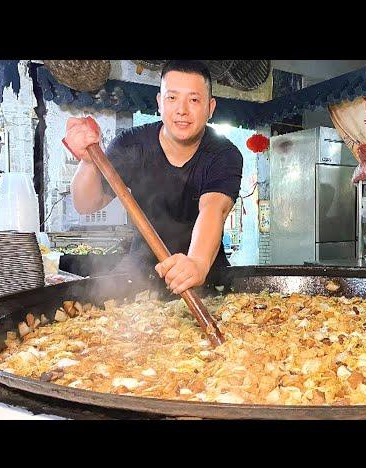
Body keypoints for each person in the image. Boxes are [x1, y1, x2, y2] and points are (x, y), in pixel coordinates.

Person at [65, 60, 243, 294]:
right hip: (138, 274)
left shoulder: (224, 154)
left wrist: (197, 263)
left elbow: (213, 209)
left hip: (206, 274)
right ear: (160, 102)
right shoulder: (132, 145)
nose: (182, 110)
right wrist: (88, 162)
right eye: (172, 98)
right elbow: (87, 204)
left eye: (193, 99)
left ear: (210, 108)